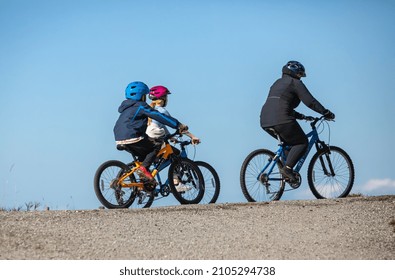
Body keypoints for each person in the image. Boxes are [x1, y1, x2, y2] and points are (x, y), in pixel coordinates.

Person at [260, 61, 335, 182]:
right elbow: (310, 101)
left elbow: (280, 105)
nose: (301, 77)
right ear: (295, 73)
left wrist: (302, 116)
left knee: (289, 142)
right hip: (282, 119)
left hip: (265, 120)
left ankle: (285, 170)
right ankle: (288, 169)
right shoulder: (295, 83)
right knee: (302, 142)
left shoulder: (276, 83)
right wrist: (325, 112)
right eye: (300, 74)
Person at [113, 81, 188, 189]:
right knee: (157, 144)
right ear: (142, 96)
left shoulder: (126, 108)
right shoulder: (140, 106)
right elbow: (157, 115)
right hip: (133, 137)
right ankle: (144, 169)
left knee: (144, 155)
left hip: (119, 138)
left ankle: (143, 183)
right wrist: (177, 125)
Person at [146, 85, 200, 192]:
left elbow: (160, 125)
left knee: (165, 157)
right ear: (163, 98)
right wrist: (193, 136)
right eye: (166, 96)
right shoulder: (161, 110)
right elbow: (175, 125)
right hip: (156, 140)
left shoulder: (150, 110)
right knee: (177, 155)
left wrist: (171, 138)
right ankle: (176, 182)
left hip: (148, 141)